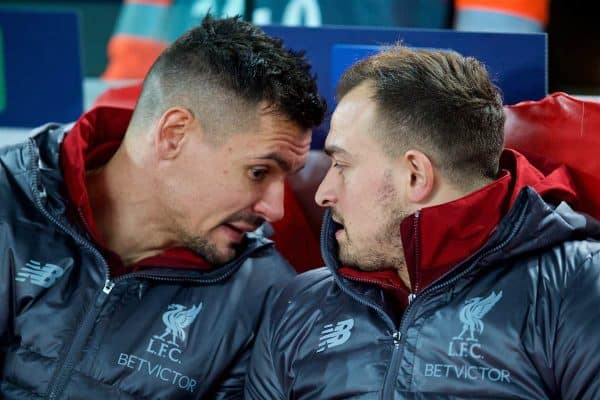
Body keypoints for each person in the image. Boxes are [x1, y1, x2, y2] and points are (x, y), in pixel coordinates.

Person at [244, 46, 600, 399]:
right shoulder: (296, 305)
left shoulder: (577, 289)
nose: (323, 194)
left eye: (341, 165)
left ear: (415, 176)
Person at [0, 15, 325, 399]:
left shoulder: (263, 295)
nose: (277, 209)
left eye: (285, 178)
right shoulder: (10, 199)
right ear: (173, 136)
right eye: (258, 172)